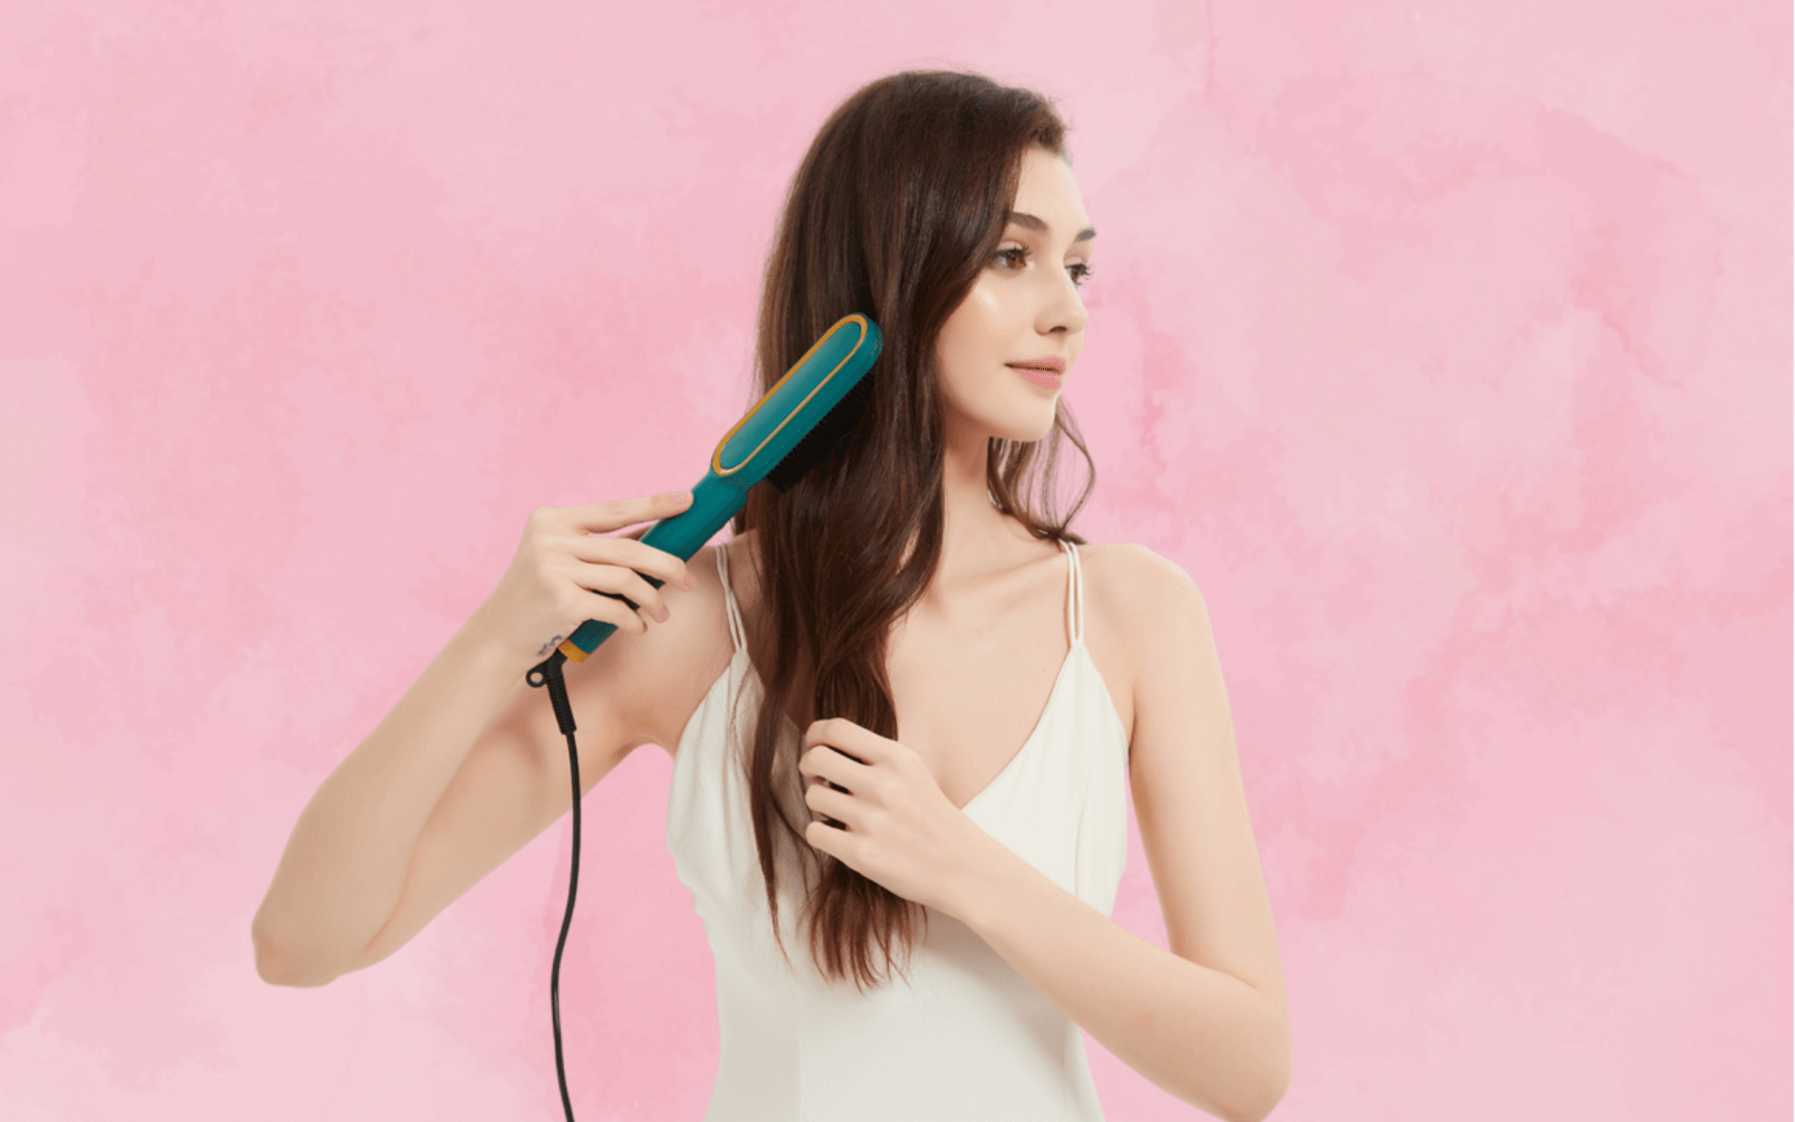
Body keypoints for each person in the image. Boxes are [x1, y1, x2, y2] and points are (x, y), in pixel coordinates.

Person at [252, 70, 1291, 1122]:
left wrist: (967, 871)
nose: (1067, 311)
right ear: (887, 274)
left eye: (1077, 266)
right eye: (1011, 257)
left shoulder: (1129, 615)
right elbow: (302, 940)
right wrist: (487, 645)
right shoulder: (692, 626)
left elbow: (1249, 1067)